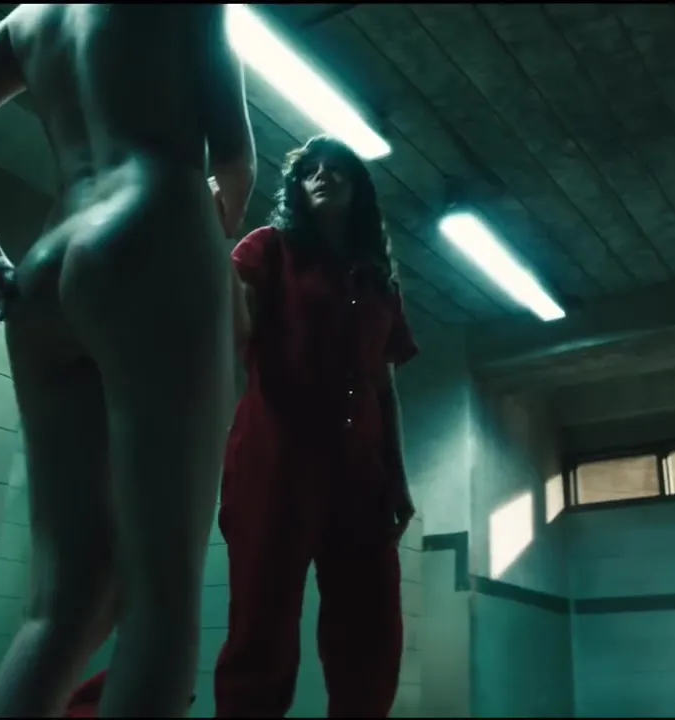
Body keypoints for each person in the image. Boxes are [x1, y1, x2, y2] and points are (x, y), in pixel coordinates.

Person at [0, 4, 256, 716]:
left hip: (44, 265)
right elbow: (234, 160)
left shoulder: (32, 17)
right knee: (163, 601)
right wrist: (201, 255)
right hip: (152, 221)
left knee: (67, 600)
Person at [213, 135, 418, 718]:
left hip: (362, 474)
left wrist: (399, 480)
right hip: (275, 465)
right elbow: (233, 326)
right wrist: (210, 241)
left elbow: (384, 387)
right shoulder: (267, 248)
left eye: (339, 170)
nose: (324, 175)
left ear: (359, 191)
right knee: (262, 630)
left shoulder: (377, 281)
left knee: (372, 634)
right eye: (312, 170)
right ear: (297, 187)